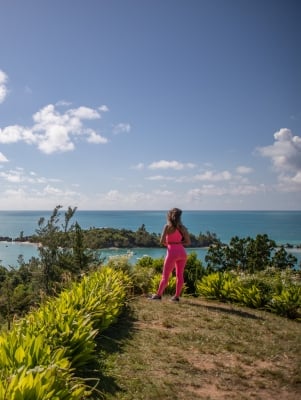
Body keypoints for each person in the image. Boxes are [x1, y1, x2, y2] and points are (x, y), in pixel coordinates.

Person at [150, 208, 191, 302]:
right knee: (180, 275)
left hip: (172, 253)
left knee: (165, 275)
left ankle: (158, 295)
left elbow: (162, 241)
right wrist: (178, 243)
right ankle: (176, 297)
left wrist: (170, 243)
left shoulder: (167, 227)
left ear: (169, 216)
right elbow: (188, 242)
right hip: (182, 253)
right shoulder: (182, 227)